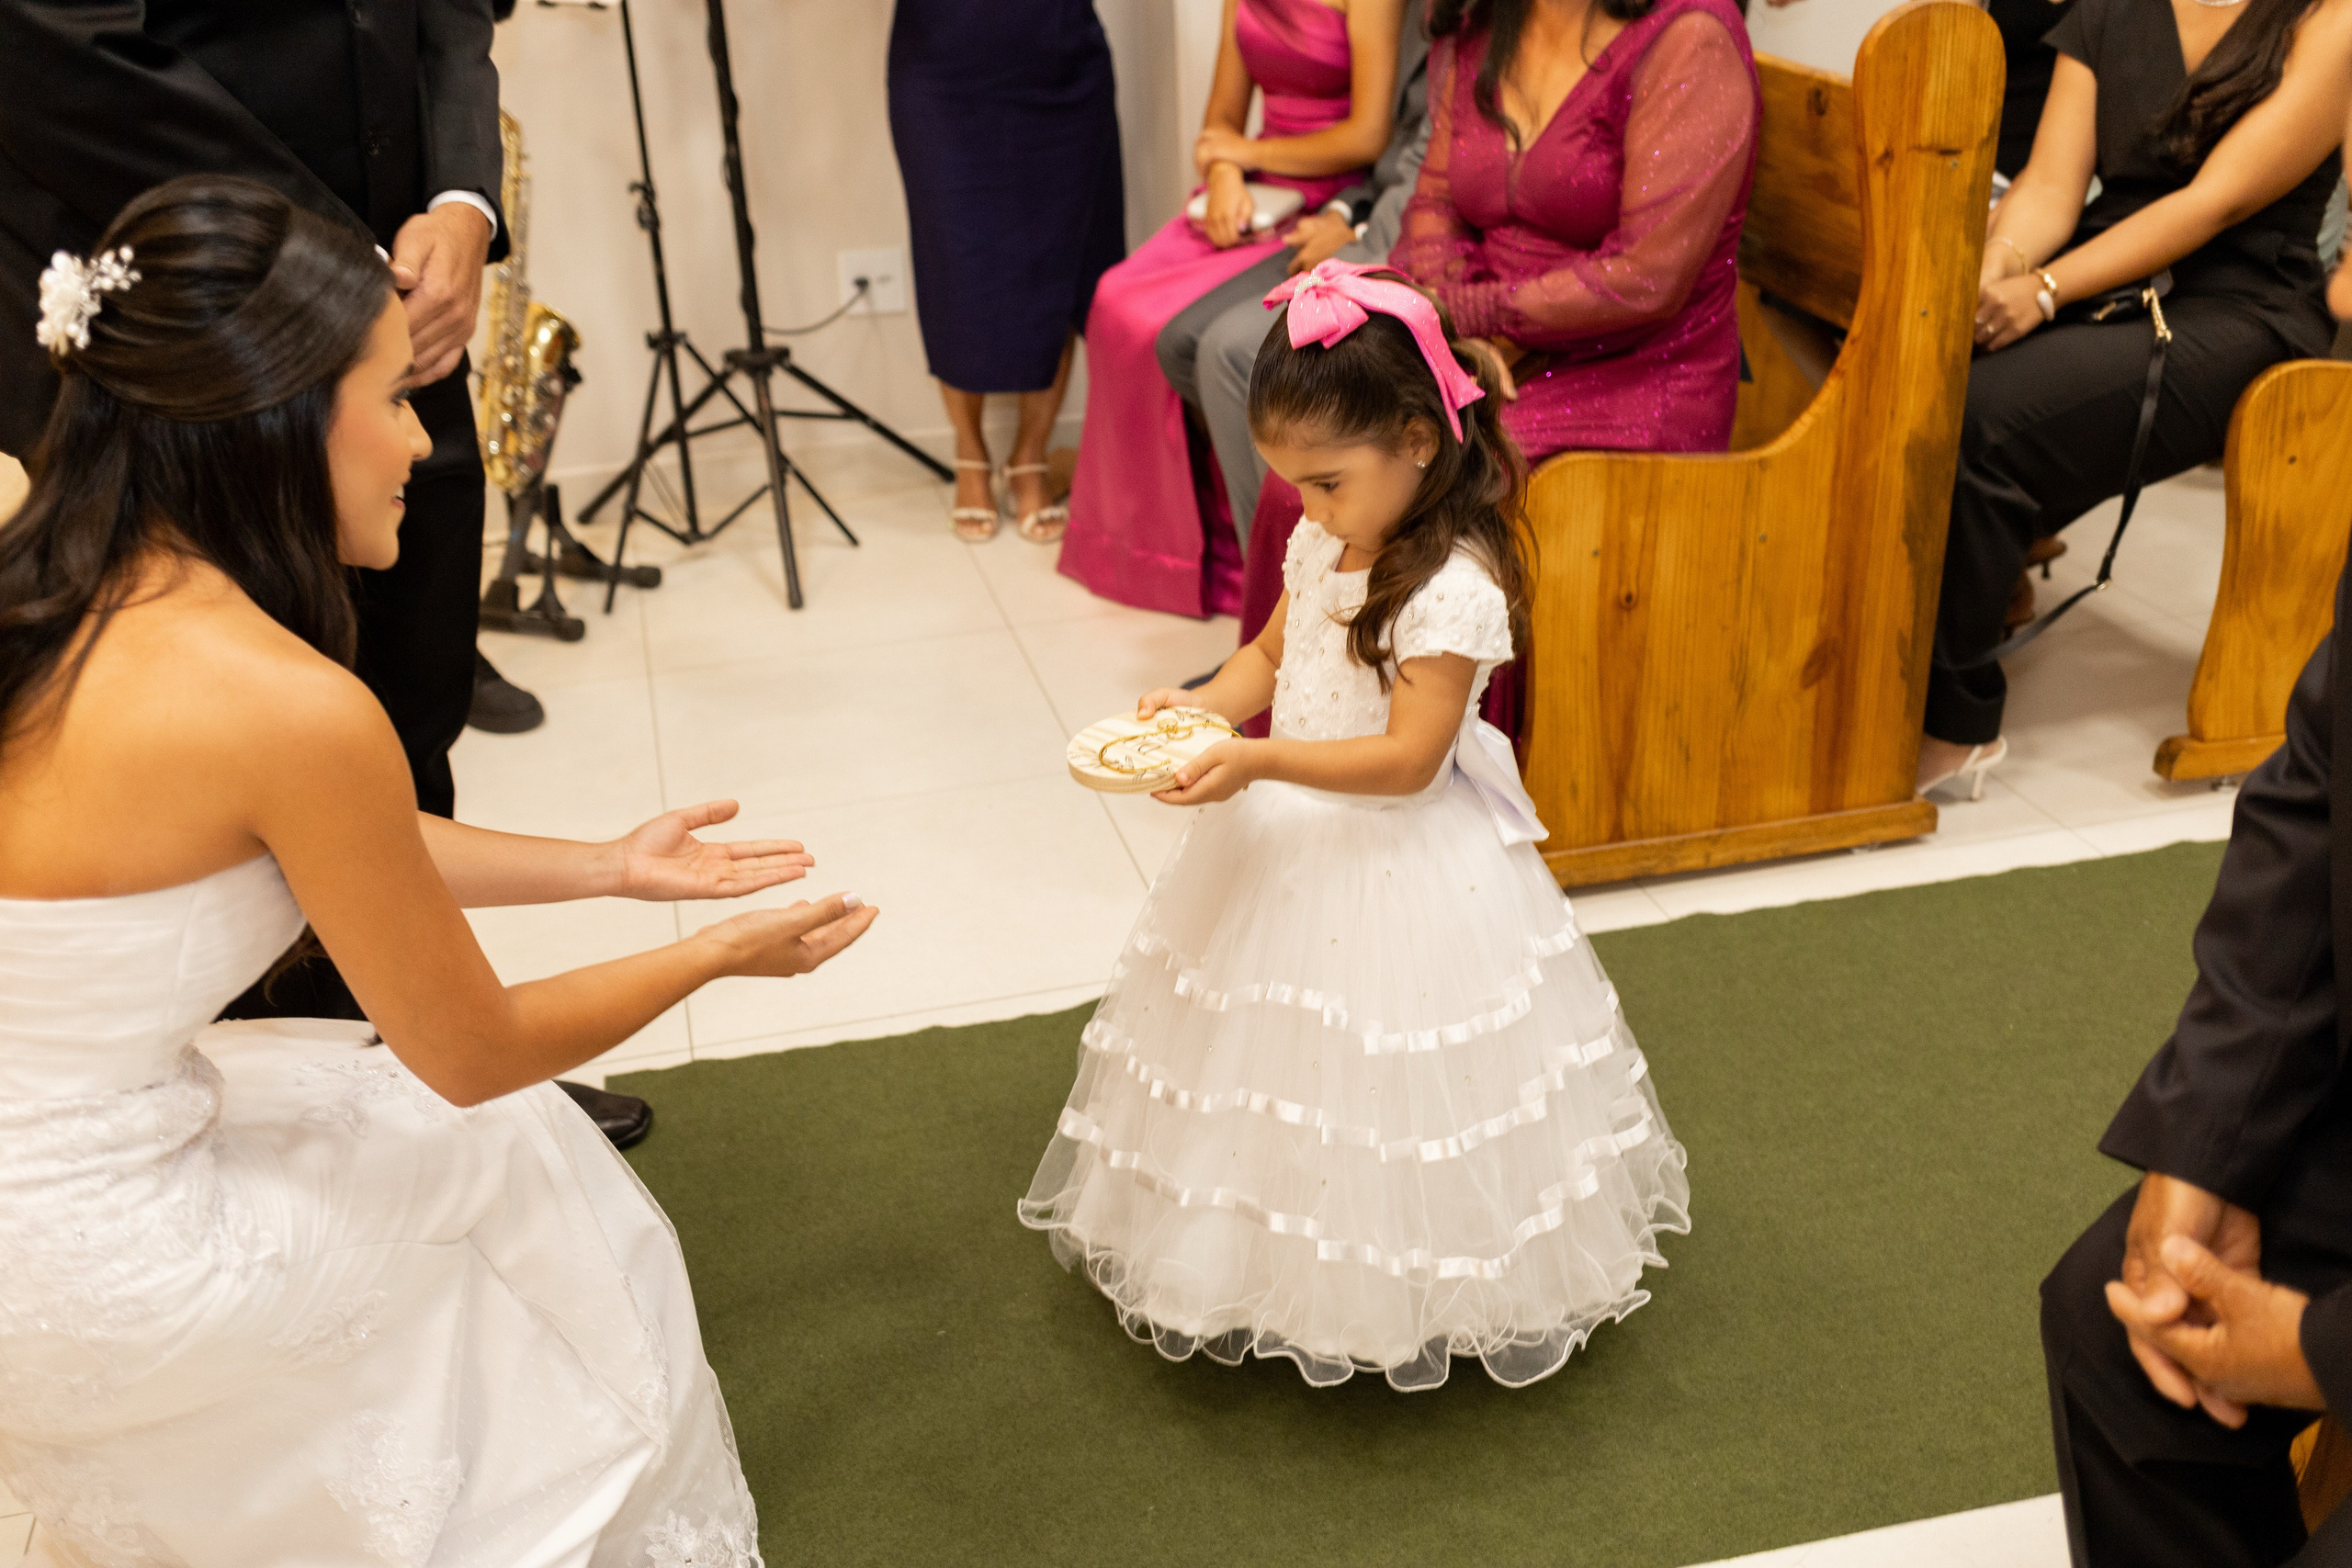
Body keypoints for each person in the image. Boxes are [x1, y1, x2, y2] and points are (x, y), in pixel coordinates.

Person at [0, 175, 879, 1562]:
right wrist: (714, 953)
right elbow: (476, 1049)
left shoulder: (42, 568)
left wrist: (608, 867)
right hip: (99, 1270)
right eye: (391, 394)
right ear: (281, 419)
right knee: (511, 1152)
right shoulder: (285, 703)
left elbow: (318, 847)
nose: (420, 438)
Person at [1020, 261, 1689, 1391]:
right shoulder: (1321, 540)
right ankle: (1249, 1251)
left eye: (1326, 482)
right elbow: (1272, 656)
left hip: (1400, 857)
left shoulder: (1455, 587)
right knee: (1256, 1062)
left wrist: (1258, 761)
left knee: (1393, 1083)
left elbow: (1406, 761)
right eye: (1293, 483)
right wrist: (1201, 709)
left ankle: (1400, 1285)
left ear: (1420, 440)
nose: (1306, 508)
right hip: (1287, 834)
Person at [0, 0, 651, 1143]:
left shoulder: (394, 397)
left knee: (404, 708)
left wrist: (461, 201)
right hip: (202, 334)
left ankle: (411, 1024)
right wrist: (324, 262)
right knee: (225, 743)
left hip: (399, 297)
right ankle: (315, 1087)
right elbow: (61, 53)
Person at [1243, 0, 1758, 737]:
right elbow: (1436, 205)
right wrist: (1448, 336)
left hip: (1634, 367)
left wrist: (1471, 321)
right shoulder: (1487, 19)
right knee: (1310, 476)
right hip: (1486, 337)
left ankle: (1432, 759)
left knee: (1463, 484)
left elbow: (1646, 276)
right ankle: (1298, 730)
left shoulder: (1690, 40)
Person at [1918, 0, 2352, 799]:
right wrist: (2000, 265)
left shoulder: (2329, 18)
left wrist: (2045, 292)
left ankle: (1955, 726)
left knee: (1985, 420)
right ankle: (1881, 679)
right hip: (2107, 270)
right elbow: (2051, 184)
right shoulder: (2110, 9)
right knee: (1923, 383)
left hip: (2241, 304)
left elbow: (2215, 200)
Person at [1057, 0, 1401, 619]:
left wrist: (1241, 153)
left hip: (1324, 195)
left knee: (1181, 330)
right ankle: (1160, 552)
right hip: (1253, 189)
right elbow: (1220, 120)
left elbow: (1368, 135)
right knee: (1114, 301)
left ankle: (1233, 557)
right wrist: (1222, 173)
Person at [1157, 0, 1434, 547]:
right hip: (1344, 203)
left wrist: (1352, 228)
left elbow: (1392, 148)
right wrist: (1229, 167)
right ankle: (1260, 558)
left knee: (1229, 351)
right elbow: (1402, 162)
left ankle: (1294, 569)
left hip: (1381, 219)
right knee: (1174, 339)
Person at [887, 0, 1125, 545]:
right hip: (941, 66)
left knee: (1064, 254)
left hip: (1061, 61)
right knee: (953, 263)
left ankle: (1030, 455)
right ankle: (969, 452)